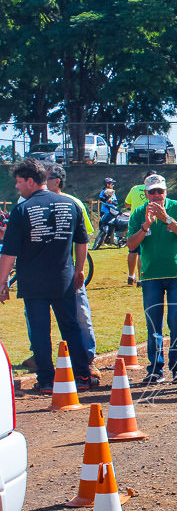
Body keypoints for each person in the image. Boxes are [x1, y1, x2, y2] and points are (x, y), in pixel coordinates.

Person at [0, 159, 91, 393]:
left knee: (41, 332)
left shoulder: (22, 210)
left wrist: (1, 282)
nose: (17, 187)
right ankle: (82, 374)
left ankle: (47, 380)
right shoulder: (71, 205)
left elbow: (9, 252)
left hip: (33, 282)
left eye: (19, 182)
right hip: (64, 278)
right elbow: (82, 241)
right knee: (71, 327)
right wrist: (80, 269)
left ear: (30, 181)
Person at [126, 174, 177, 384]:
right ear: (145, 194)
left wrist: (167, 220)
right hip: (151, 275)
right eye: (152, 192)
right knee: (153, 323)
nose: (156, 196)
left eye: (160, 191)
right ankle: (155, 368)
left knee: (176, 320)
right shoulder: (138, 212)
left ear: (166, 192)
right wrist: (145, 225)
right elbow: (130, 245)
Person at [45, 164, 100, 383]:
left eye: (46, 177)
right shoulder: (31, 201)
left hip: (68, 270)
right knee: (36, 318)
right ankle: (39, 356)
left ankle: (87, 358)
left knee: (80, 314)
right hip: (41, 272)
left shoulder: (73, 203)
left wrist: (80, 269)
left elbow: (83, 239)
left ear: (57, 180)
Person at [125, 170, 158, 285]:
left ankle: (130, 276)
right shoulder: (155, 191)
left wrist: (135, 204)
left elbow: (126, 203)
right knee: (141, 252)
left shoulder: (134, 188)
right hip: (147, 220)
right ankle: (140, 279)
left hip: (133, 220)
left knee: (132, 250)